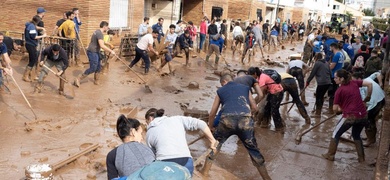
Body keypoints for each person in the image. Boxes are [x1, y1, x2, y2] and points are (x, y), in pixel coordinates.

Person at [201, 74, 271, 180]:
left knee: (214, 146)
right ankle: (266, 178)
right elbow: (255, 108)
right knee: (253, 150)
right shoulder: (245, 88)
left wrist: (210, 128)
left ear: (224, 82)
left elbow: (212, 113)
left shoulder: (221, 91)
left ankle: (204, 172)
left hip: (227, 121)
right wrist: (248, 115)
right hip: (245, 121)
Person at [145, 108, 217, 176]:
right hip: (187, 162)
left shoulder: (149, 132)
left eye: (147, 122)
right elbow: (201, 124)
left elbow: (152, 156)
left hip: (165, 165)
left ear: (150, 118)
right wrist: (212, 140)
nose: (147, 125)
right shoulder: (177, 119)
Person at [322, 69, 372, 163]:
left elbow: (335, 109)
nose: (334, 79)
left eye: (336, 77)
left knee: (335, 133)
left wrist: (340, 110)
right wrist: (367, 98)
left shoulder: (339, 91)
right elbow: (370, 84)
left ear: (341, 79)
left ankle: (330, 155)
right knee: (356, 135)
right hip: (363, 115)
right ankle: (361, 158)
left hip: (350, 116)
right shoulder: (354, 83)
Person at [106, 115, 155, 179]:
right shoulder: (148, 149)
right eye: (140, 133)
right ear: (133, 132)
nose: (142, 138)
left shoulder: (112, 155)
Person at [74, 21, 115, 87]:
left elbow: (101, 42)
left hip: (96, 51)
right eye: (107, 27)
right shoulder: (99, 34)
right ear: (104, 27)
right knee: (93, 68)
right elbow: (102, 45)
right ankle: (78, 79)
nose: (108, 28)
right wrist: (111, 51)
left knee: (98, 67)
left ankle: (96, 80)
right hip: (92, 52)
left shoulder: (97, 31)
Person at [351, 69, 385, 147]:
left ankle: (371, 139)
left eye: (354, 80)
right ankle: (370, 137)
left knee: (367, 120)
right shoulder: (368, 79)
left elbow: (363, 102)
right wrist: (380, 83)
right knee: (371, 119)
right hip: (382, 98)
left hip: (375, 102)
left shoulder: (361, 87)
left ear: (359, 79)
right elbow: (377, 73)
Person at [306, 53, 332, 117]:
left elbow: (312, 73)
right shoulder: (326, 63)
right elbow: (330, 73)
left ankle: (318, 113)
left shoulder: (317, 63)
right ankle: (319, 110)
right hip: (328, 82)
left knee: (318, 97)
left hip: (321, 83)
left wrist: (308, 81)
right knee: (321, 96)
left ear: (316, 58)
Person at [23, 16, 47, 82]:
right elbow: (34, 36)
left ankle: (31, 74)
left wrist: (42, 28)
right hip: (30, 44)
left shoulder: (30, 25)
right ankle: (26, 75)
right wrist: (43, 36)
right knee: (33, 60)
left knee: (33, 59)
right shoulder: (31, 26)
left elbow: (36, 27)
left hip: (30, 44)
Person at [328, 42, 345, 114]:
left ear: (333, 47)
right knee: (336, 91)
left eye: (330, 47)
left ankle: (331, 109)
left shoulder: (336, 55)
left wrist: (326, 67)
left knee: (332, 93)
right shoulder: (341, 54)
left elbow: (332, 66)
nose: (330, 49)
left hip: (333, 76)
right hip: (339, 75)